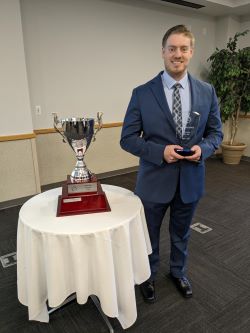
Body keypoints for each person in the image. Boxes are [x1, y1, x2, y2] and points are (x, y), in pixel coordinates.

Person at [120, 25, 223, 302]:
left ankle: (178, 272)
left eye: (183, 49)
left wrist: (203, 149)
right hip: (154, 180)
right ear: (163, 52)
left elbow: (216, 134)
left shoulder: (206, 91)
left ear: (191, 52)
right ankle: (148, 276)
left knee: (181, 234)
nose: (178, 54)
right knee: (148, 235)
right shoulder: (142, 93)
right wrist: (160, 151)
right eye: (172, 49)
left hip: (190, 180)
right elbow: (127, 138)